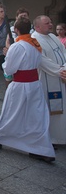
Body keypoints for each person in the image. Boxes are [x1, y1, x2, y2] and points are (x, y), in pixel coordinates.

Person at [0, 17, 55, 163]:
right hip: (35, 84)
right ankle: (40, 147)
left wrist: (8, 53)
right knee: (36, 118)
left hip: (20, 85)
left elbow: (9, 69)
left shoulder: (18, 46)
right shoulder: (35, 43)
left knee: (12, 115)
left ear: (16, 30)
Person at [32, 15, 66, 146]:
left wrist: (65, 68)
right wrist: (60, 71)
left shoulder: (52, 37)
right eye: (47, 23)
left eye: (50, 22)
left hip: (62, 78)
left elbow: (64, 52)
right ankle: (50, 138)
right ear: (37, 27)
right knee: (49, 109)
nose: (51, 24)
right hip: (47, 81)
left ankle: (61, 136)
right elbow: (41, 61)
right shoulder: (35, 39)